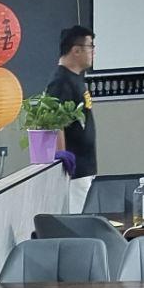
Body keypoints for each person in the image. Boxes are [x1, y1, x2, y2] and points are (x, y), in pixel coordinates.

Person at [45, 25, 97, 211]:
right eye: (90, 46)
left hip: (84, 167)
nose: (93, 52)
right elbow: (54, 122)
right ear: (76, 50)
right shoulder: (60, 82)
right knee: (74, 218)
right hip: (74, 171)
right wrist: (62, 159)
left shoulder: (76, 78)